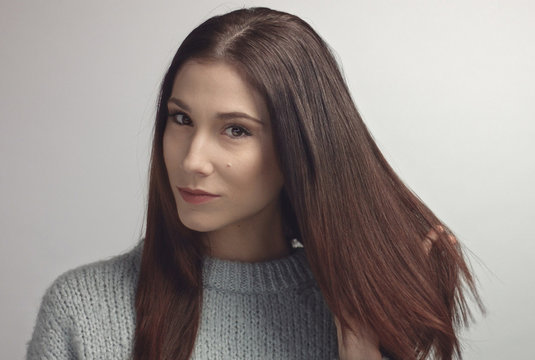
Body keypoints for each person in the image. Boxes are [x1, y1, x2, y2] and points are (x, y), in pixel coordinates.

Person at [27, 7, 483, 360]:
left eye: (236, 129)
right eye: (181, 119)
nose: (193, 159)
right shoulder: (82, 311)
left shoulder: (361, 312)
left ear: (299, 146)